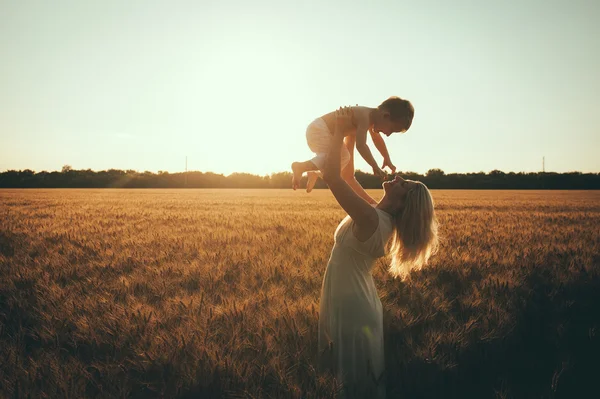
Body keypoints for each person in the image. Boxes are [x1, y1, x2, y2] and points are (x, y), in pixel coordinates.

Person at [318, 106, 438, 398]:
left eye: (403, 184)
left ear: (403, 204)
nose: (396, 178)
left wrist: (334, 131)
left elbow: (333, 178)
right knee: (353, 379)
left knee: (354, 381)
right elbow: (347, 177)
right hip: (353, 300)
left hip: (354, 308)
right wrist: (347, 137)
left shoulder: (373, 219)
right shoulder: (375, 211)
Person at [292, 96, 414, 195]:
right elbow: (361, 146)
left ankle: (314, 172)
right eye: (391, 130)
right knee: (343, 156)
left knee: (337, 161)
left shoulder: (372, 118)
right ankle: (301, 167)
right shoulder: (365, 117)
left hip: (321, 130)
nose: (388, 134)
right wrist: (374, 165)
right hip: (319, 130)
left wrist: (386, 158)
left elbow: (377, 139)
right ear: (385, 116)